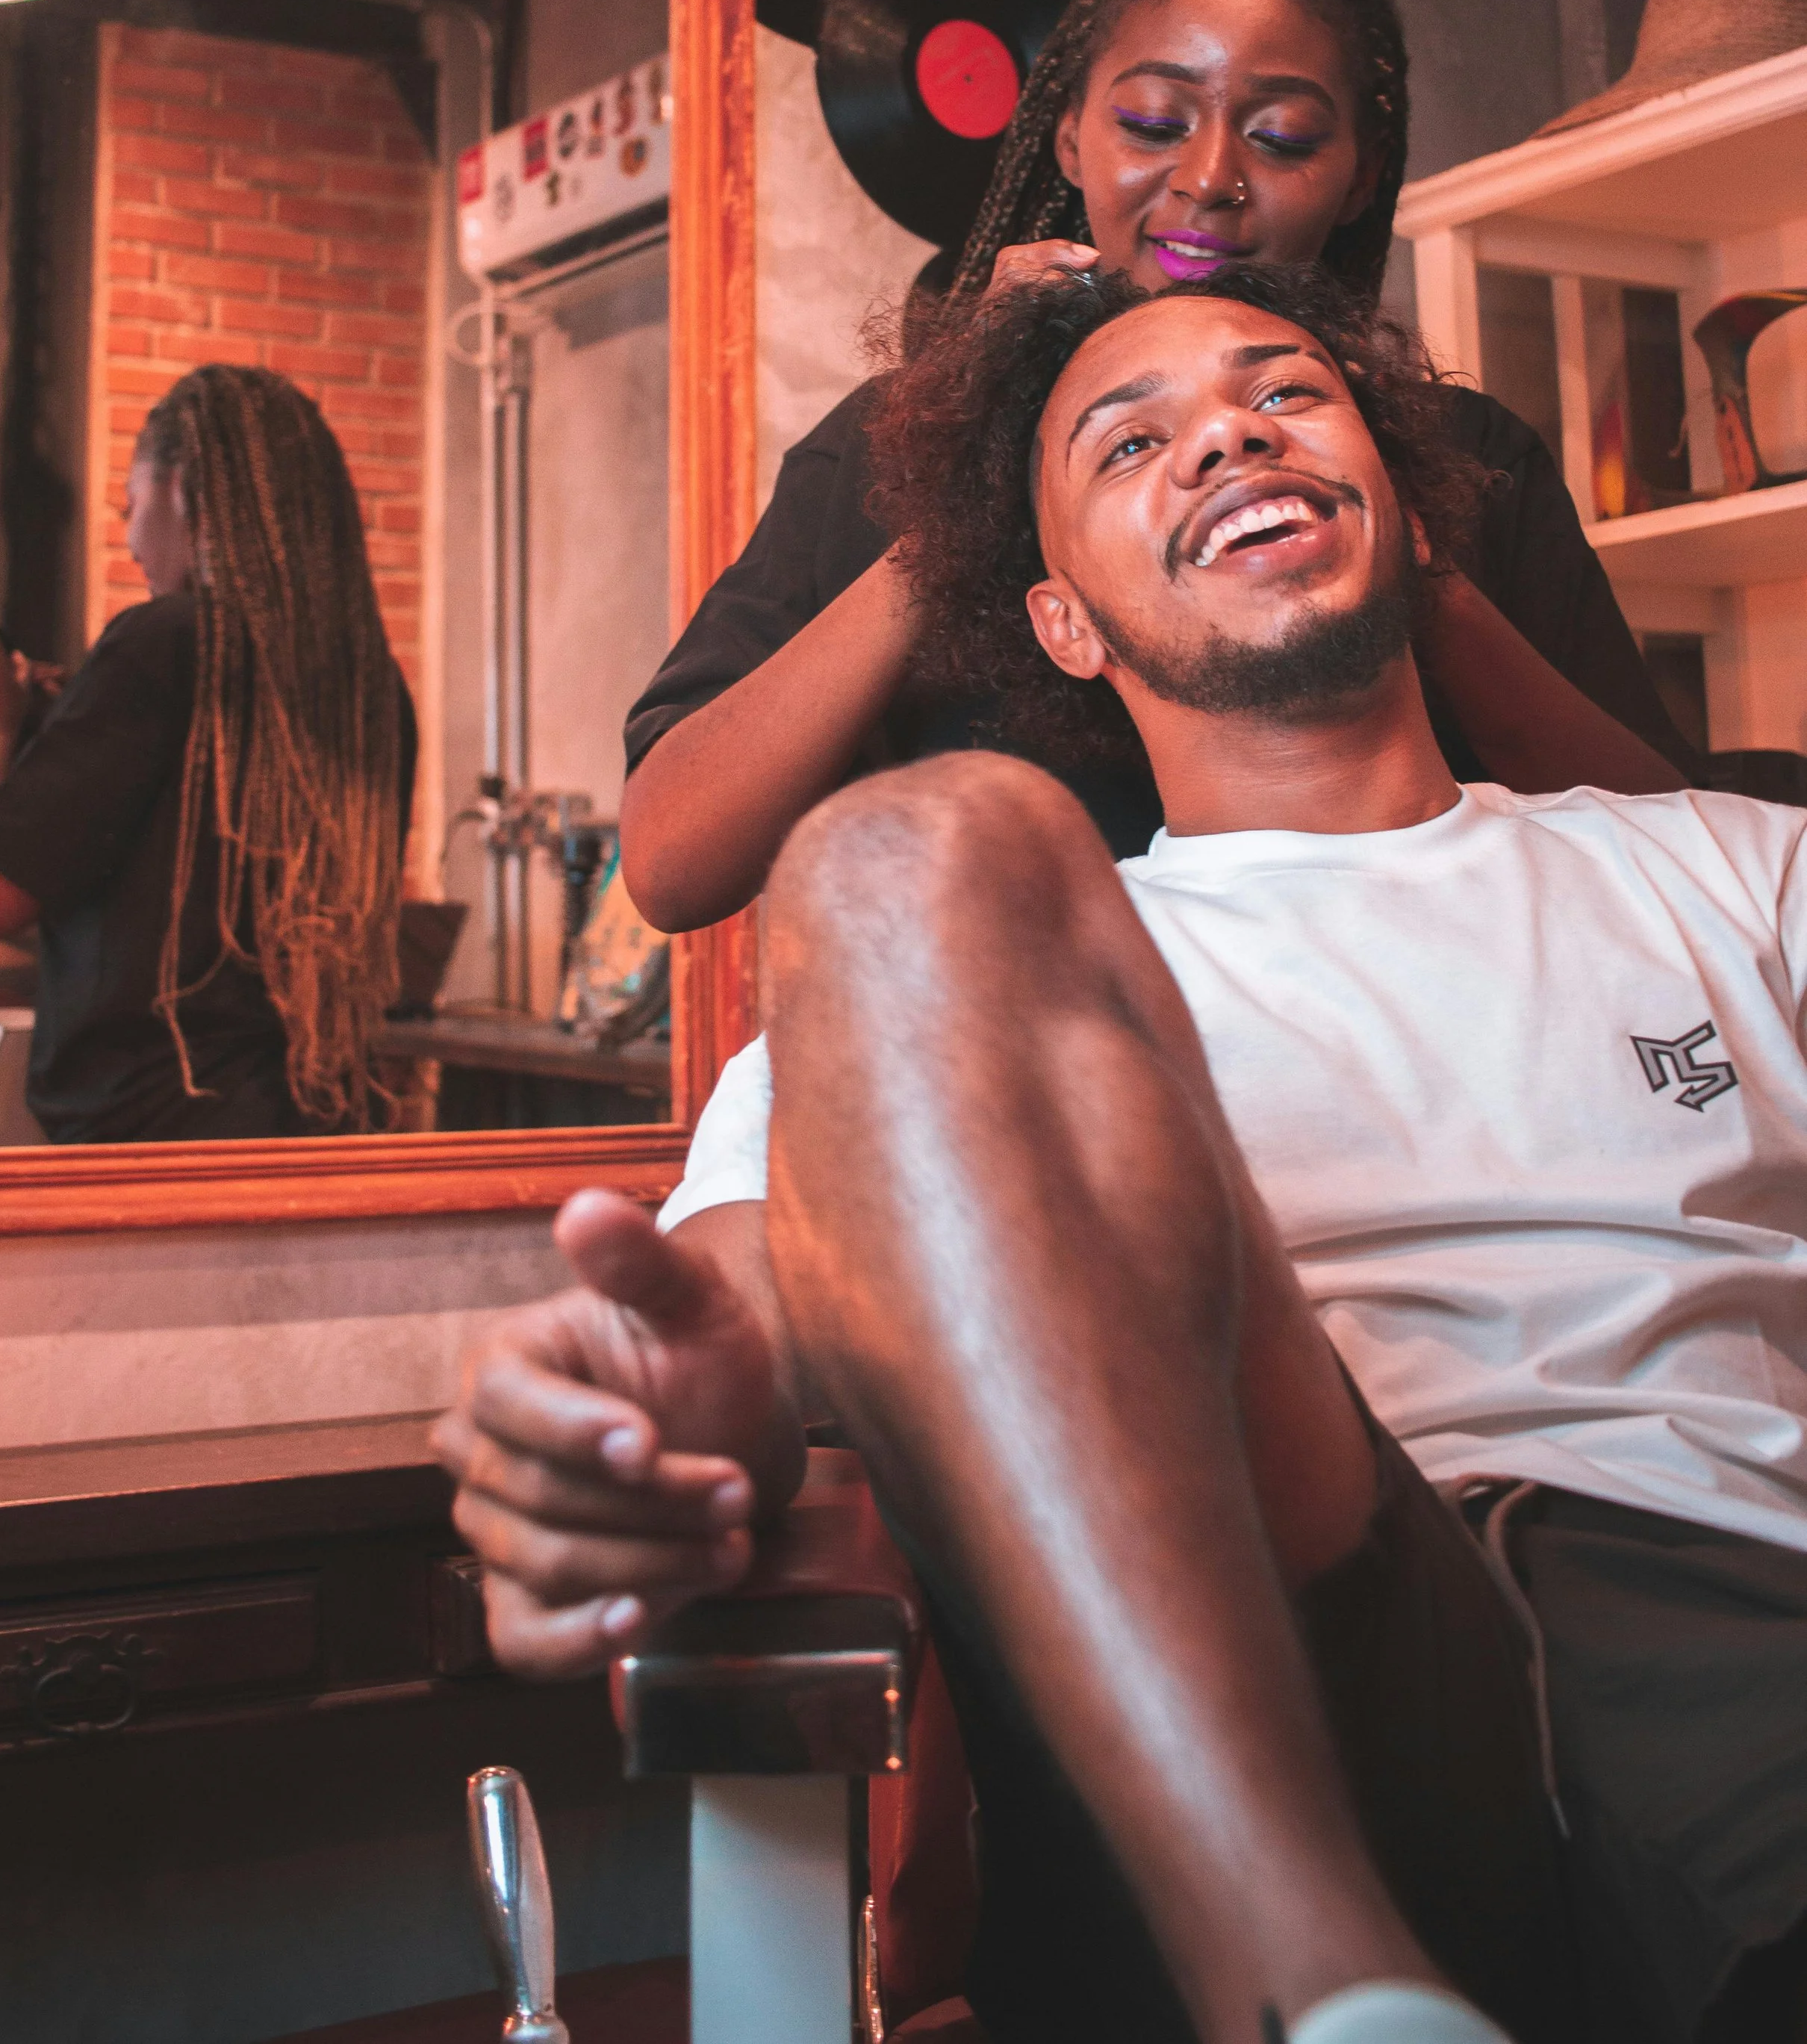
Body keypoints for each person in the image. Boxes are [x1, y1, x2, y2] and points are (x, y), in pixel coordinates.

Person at [438, 264, 1807, 2044]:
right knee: (889, 853)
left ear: (1400, 510)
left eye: (1284, 393)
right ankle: (1332, 1987)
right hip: (1273, 1659)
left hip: (1731, 1627)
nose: (1228, 430)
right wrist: (650, 1400)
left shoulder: (1726, 866)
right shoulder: (977, 980)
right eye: (1129, 439)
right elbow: (747, 1304)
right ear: (1064, 620)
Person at [621, 0, 1695, 932]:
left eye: (1281, 139)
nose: (1211, 178)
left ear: (1361, 179)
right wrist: (968, 468)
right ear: (1071, 138)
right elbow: (675, 866)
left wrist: (1399, 546)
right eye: (1150, 122)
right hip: (1037, 1071)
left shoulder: (1461, 454)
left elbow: (1666, 848)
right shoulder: (886, 447)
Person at [0, 364, 415, 1142]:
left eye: (131, 507)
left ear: (187, 492)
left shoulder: (164, 643)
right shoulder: (369, 689)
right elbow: (174, 906)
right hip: (306, 1125)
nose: (130, 544)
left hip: (153, 1131)